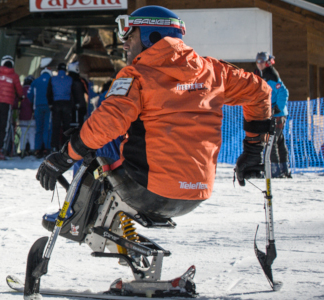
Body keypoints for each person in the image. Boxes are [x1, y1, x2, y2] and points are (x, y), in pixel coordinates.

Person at [32, 6, 271, 296]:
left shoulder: (138, 75)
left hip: (149, 190)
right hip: (196, 193)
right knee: (114, 142)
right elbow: (260, 91)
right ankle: (117, 234)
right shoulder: (213, 71)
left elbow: (107, 122)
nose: (124, 42)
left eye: (129, 34)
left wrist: (65, 155)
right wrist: (253, 149)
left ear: (150, 35)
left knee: (94, 149)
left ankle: (74, 221)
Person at [255, 52, 291, 178]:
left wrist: (278, 108)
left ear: (267, 62)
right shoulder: (262, 74)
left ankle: (275, 171)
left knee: (272, 142)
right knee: (279, 141)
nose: (259, 64)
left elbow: (284, 92)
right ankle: (284, 169)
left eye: (262, 61)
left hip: (277, 115)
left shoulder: (271, 75)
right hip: (273, 114)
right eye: (257, 61)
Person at [48, 63, 73, 152]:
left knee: (56, 126)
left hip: (56, 103)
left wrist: (51, 103)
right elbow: (72, 93)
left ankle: (54, 146)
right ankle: (66, 147)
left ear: (58, 70)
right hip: (66, 103)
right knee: (67, 126)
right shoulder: (70, 79)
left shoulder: (53, 79)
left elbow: (49, 93)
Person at [29, 68, 53, 158]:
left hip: (37, 107)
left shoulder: (35, 81)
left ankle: (38, 149)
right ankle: (47, 148)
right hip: (48, 107)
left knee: (38, 129)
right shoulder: (51, 80)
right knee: (47, 128)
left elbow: (29, 95)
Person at [67, 61, 88, 129]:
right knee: (80, 124)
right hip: (80, 106)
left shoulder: (66, 79)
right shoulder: (81, 80)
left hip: (68, 106)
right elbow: (87, 90)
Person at [19, 76, 36, 157]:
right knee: (32, 133)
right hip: (32, 115)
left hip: (22, 115)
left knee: (23, 133)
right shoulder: (34, 89)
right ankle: (32, 149)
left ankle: (22, 149)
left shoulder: (21, 90)